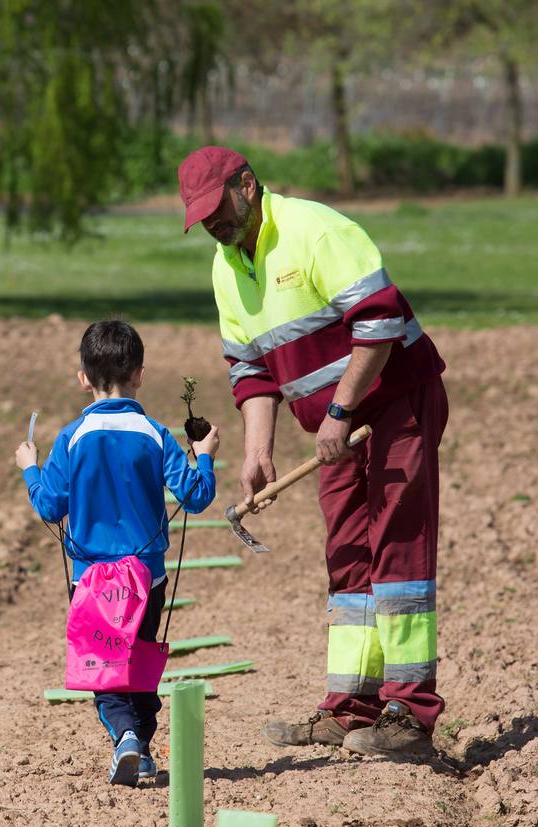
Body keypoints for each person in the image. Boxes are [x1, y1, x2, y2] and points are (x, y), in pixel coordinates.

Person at [178, 146, 448, 757]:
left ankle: (409, 714)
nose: (214, 226)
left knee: (397, 544)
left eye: (218, 209)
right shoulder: (226, 266)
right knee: (347, 549)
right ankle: (353, 707)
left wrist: (339, 410)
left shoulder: (315, 230)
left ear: (247, 185)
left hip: (394, 399)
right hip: (336, 424)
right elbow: (249, 370)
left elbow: (377, 324)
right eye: (202, 219)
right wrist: (257, 451)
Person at [15, 320, 219, 785]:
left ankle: (126, 737)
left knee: (105, 668)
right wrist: (204, 453)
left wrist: (31, 468)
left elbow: (49, 505)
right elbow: (196, 497)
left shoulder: (71, 437)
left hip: (89, 580)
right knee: (141, 661)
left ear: (83, 377)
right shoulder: (155, 434)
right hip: (146, 578)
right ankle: (140, 746)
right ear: (140, 376)